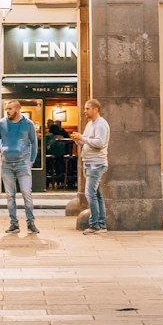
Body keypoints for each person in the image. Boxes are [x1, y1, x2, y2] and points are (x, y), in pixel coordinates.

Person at [0, 100, 39, 235]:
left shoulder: (28, 124)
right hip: (6, 164)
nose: (7, 111)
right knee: (10, 195)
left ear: (17, 109)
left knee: (26, 194)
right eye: (7, 109)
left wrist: (31, 160)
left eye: (10, 109)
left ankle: (30, 223)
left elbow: (34, 142)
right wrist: (0, 149)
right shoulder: (1, 124)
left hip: (23, 164)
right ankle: (14, 224)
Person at [70, 98, 111, 233]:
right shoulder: (90, 124)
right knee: (97, 194)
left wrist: (82, 138)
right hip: (89, 163)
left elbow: (99, 143)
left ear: (95, 109)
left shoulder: (101, 124)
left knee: (90, 193)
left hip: (96, 164)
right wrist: (78, 140)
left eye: (87, 108)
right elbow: (86, 142)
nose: (85, 111)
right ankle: (101, 224)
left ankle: (94, 225)